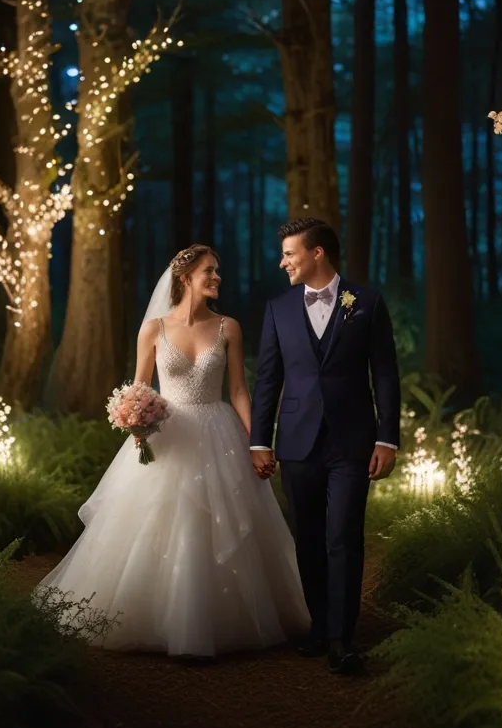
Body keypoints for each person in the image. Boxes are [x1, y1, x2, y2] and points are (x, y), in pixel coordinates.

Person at [36, 244, 308, 657]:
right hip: (167, 434)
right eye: (209, 271)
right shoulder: (155, 329)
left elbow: (237, 390)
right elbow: (139, 386)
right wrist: (135, 421)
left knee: (224, 520)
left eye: (217, 271)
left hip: (220, 432)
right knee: (160, 521)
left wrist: (258, 442)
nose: (217, 277)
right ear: (185, 278)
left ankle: (223, 620)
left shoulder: (228, 327)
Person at [250, 219, 401, 675]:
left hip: (353, 441)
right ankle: (319, 626)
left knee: (344, 537)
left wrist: (387, 437)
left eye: (290, 253)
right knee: (310, 538)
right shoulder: (277, 309)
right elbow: (268, 380)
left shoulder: (367, 303)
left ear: (318, 254)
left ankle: (343, 637)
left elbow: (386, 374)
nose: (283, 262)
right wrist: (260, 440)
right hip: (296, 440)